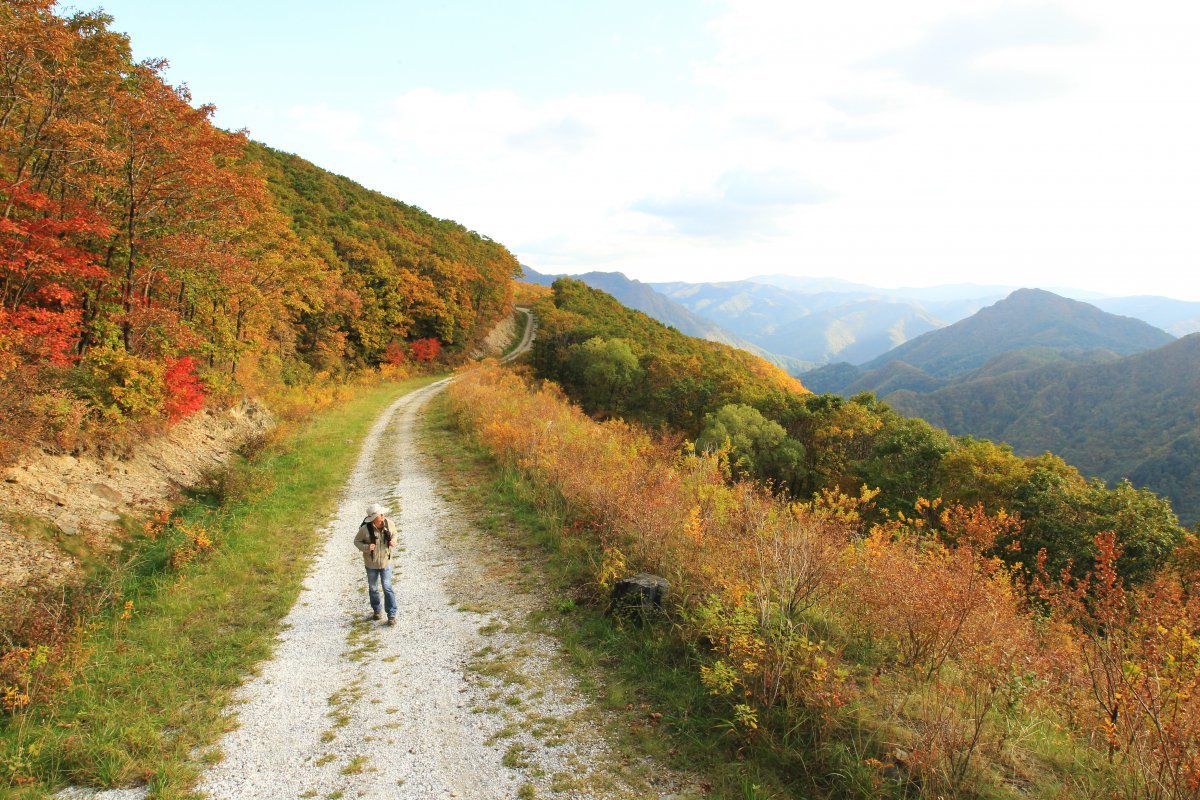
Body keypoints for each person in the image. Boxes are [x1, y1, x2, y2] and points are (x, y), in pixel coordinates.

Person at [354, 502, 397, 625]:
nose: (383, 515)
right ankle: (377, 611)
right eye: (380, 514)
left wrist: (393, 540)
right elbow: (356, 541)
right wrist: (367, 547)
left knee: (387, 587)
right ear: (373, 518)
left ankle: (392, 615)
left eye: (382, 513)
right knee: (373, 588)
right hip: (371, 564)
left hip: (386, 563)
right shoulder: (364, 529)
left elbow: (395, 534)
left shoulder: (389, 524)